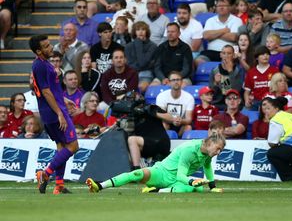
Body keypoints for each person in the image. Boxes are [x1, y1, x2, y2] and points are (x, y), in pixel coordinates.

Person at [86, 133, 226, 193]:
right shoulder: (189, 149)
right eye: (218, 148)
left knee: (198, 189)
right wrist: (192, 181)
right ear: (210, 143)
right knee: (136, 173)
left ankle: (156, 191)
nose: (218, 152)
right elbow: (181, 176)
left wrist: (212, 186)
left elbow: (207, 166)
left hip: (175, 181)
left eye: (221, 150)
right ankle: (99, 186)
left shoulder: (208, 152)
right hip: (161, 173)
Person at [29, 35, 79, 194]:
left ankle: (59, 185)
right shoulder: (40, 66)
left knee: (62, 147)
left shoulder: (43, 64)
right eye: (46, 46)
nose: (51, 47)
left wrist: (64, 100)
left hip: (53, 110)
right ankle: (45, 174)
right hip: (53, 112)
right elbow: (45, 92)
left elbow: (51, 90)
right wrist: (59, 113)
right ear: (39, 51)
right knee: (73, 146)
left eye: (50, 44)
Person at [195, 0, 242, 66]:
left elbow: (233, 37)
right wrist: (224, 30)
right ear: (216, 8)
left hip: (229, 52)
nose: (221, 7)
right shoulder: (210, 20)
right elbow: (206, 36)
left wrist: (213, 34)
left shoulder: (237, 20)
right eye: (219, 5)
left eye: (224, 5)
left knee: (228, 64)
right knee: (198, 61)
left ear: (229, 7)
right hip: (211, 51)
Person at [127, 102, 173, 170]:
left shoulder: (151, 107)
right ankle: (144, 165)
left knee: (132, 140)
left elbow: (171, 118)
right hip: (146, 145)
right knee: (125, 143)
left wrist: (154, 113)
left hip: (161, 142)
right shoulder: (130, 114)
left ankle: (136, 170)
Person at [152, 22, 193, 87]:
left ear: (179, 33)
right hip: (164, 78)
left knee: (183, 86)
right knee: (153, 87)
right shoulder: (161, 47)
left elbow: (187, 68)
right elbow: (157, 67)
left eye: (173, 32)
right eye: (168, 32)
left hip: (182, 77)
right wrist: (163, 78)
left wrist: (174, 79)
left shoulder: (186, 48)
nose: (170, 34)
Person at [155, 71, 194, 138]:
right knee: (163, 124)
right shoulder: (161, 96)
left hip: (181, 123)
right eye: (173, 80)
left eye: (178, 80)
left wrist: (181, 121)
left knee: (188, 127)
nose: (176, 82)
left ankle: (179, 142)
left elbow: (189, 119)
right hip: (167, 122)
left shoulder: (189, 97)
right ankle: (164, 143)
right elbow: (160, 114)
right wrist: (172, 119)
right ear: (169, 82)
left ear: (182, 82)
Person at [125, 21, 157, 94]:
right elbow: (129, 64)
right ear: (134, 32)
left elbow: (142, 63)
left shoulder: (152, 46)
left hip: (146, 74)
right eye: (138, 30)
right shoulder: (128, 46)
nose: (140, 32)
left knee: (140, 87)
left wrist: (138, 43)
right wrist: (145, 65)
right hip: (131, 74)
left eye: (143, 29)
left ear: (146, 31)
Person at [244, 46, 279, 110]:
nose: (265, 56)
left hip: (271, 102)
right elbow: (247, 91)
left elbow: (279, 89)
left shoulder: (275, 71)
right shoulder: (251, 72)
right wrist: (246, 100)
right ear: (257, 57)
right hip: (255, 102)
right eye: (262, 54)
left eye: (267, 54)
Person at [208, 45, 243, 110]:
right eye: (224, 53)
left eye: (229, 53)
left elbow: (237, 89)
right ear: (220, 55)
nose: (226, 56)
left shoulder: (238, 70)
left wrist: (231, 72)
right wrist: (215, 83)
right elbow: (211, 94)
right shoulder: (215, 70)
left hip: (234, 103)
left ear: (233, 55)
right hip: (217, 103)